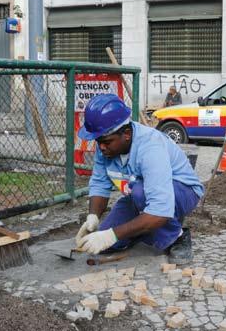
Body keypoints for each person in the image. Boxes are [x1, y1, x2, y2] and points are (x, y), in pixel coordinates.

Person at [75, 94, 203, 264]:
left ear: (126, 134)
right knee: (106, 245)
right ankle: (144, 229)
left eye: (106, 141)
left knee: (139, 193)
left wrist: (112, 234)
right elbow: (99, 184)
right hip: (139, 194)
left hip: (183, 191)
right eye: (98, 142)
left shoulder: (150, 148)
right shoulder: (105, 146)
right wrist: (93, 217)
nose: (101, 147)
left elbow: (159, 209)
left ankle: (178, 236)